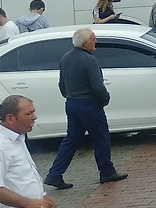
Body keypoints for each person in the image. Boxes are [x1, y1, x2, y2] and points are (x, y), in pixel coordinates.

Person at [44, 29, 126, 190]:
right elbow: (97, 86)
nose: (96, 42)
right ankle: (107, 171)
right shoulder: (89, 60)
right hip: (89, 104)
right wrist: (105, 99)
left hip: (72, 103)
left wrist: (70, 96)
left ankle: (54, 174)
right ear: (85, 43)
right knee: (100, 137)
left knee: (71, 139)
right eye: (94, 39)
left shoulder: (66, 57)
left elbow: (62, 84)